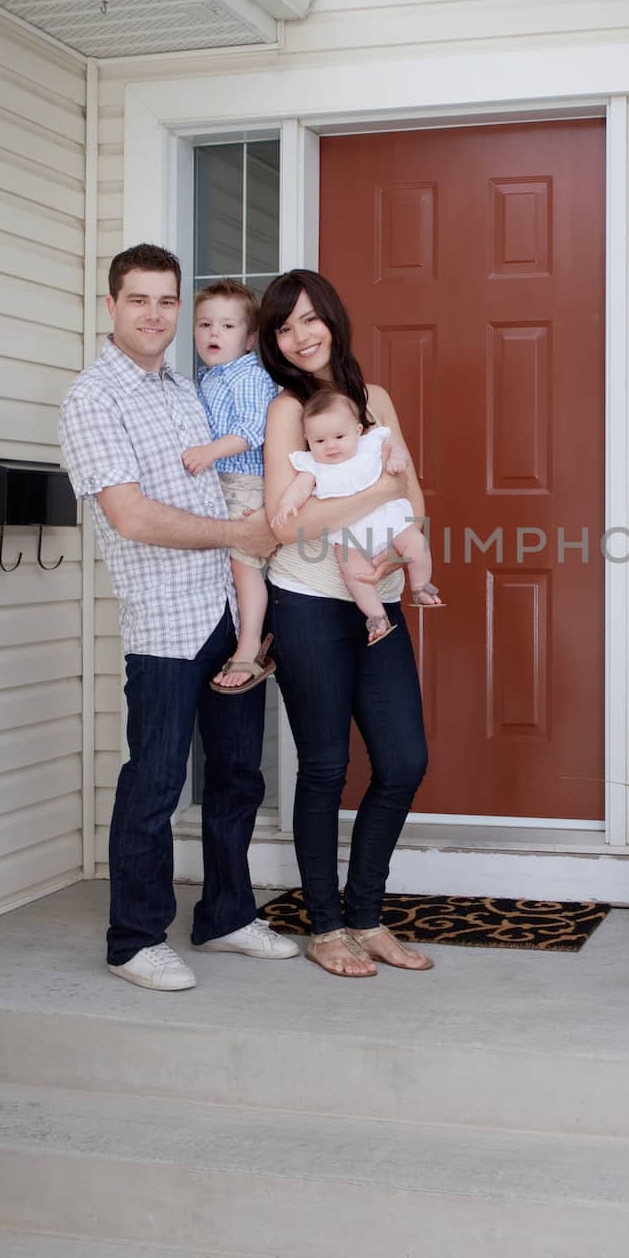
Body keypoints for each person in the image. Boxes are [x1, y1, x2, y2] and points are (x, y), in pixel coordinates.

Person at [59, 243, 298, 991]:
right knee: (156, 781)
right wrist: (241, 534)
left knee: (235, 777)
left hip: (227, 614)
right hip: (164, 622)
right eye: (140, 300)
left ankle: (225, 916)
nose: (156, 314)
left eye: (168, 300)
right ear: (111, 306)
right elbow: (129, 517)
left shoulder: (186, 389)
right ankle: (134, 938)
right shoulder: (93, 399)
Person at [259, 269, 433, 978]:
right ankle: (325, 927)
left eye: (308, 319)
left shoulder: (376, 400)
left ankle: (366, 915)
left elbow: (414, 501)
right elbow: (289, 524)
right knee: (325, 767)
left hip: (379, 600)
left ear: (331, 317)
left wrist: (399, 546)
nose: (300, 336)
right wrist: (378, 491)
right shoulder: (284, 411)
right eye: (283, 326)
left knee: (402, 761)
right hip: (305, 602)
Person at [273, 388, 443, 647]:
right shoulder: (312, 465)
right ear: (307, 439)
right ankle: (376, 617)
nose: (330, 446)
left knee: (416, 543)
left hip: (388, 521)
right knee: (354, 573)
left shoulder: (372, 445)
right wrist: (287, 503)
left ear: (358, 430)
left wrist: (396, 461)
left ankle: (421, 586)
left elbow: (396, 453)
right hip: (349, 534)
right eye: (319, 441)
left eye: (339, 436)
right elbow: (299, 488)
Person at [184, 279, 280, 692]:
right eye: (204, 325)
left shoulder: (249, 376)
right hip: (220, 483)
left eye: (226, 326)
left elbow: (252, 429)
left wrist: (210, 452)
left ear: (250, 339)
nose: (213, 334)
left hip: (244, 480)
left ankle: (249, 645)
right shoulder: (209, 377)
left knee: (244, 565)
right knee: (228, 563)